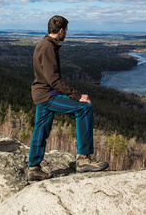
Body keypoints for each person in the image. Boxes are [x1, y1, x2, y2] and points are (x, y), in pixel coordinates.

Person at [28, 15, 109, 181]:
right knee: (84, 108)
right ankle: (84, 159)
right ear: (61, 30)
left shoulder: (44, 44)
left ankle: (34, 168)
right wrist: (78, 96)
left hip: (41, 94)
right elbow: (54, 80)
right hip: (47, 95)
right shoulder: (48, 47)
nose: (66, 34)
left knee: (40, 130)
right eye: (66, 31)